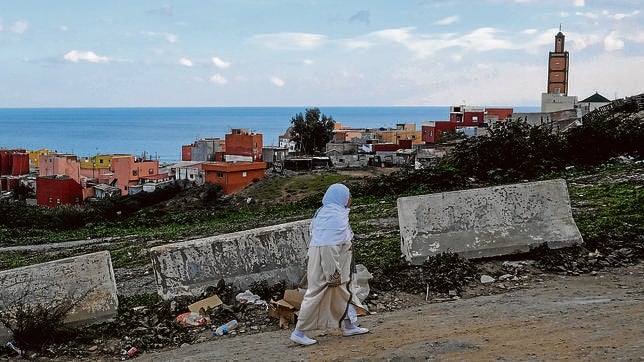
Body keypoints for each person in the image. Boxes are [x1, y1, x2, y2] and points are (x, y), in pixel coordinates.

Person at [290, 183, 369, 346]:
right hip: (328, 267)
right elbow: (328, 247)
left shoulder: (330, 213)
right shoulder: (333, 217)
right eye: (348, 195)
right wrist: (333, 274)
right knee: (316, 295)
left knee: (345, 293)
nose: (350, 199)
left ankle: (349, 325)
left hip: (336, 265)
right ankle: (298, 332)